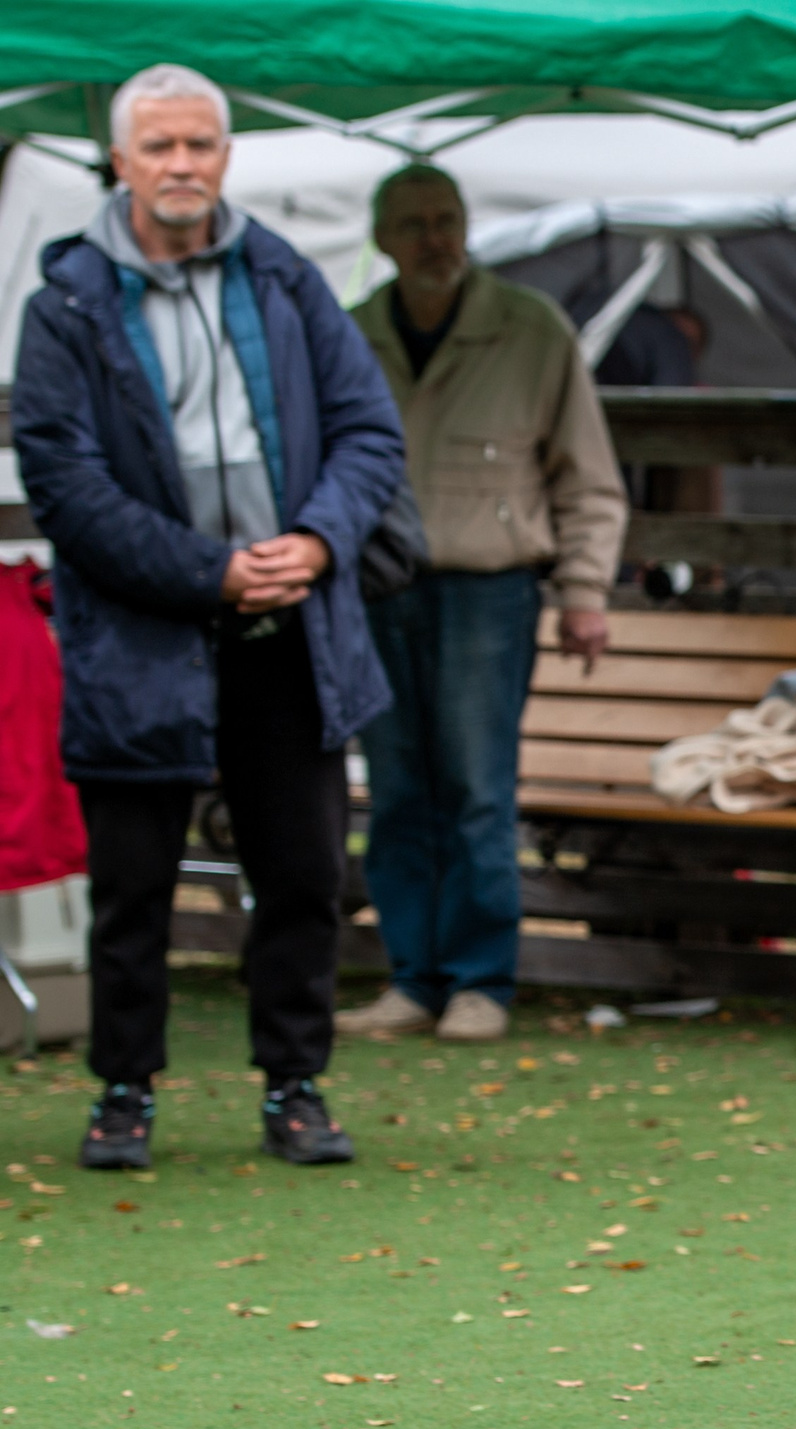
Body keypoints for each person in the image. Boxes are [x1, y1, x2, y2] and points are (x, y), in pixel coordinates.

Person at [13, 64, 406, 1170]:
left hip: (293, 633)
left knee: (303, 874)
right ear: (120, 162)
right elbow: (66, 486)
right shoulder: (67, 308)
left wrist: (321, 540)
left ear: (226, 156)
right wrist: (210, 572)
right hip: (140, 641)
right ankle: (124, 1093)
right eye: (160, 148)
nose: (182, 166)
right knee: (133, 885)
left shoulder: (288, 284)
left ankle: (295, 1085)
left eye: (200, 146)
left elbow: (369, 432)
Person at [334, 164, 627, 1044]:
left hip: (489, 586)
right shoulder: (350, 335)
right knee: (393, 790)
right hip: (375, 586)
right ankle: (410, 978)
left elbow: (588, 473)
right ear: (383, 238)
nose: (435, 237)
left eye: (447, 219)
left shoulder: (529, 328)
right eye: (415, 223)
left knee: (475, 788)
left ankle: (479, 982)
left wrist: (584, 591)